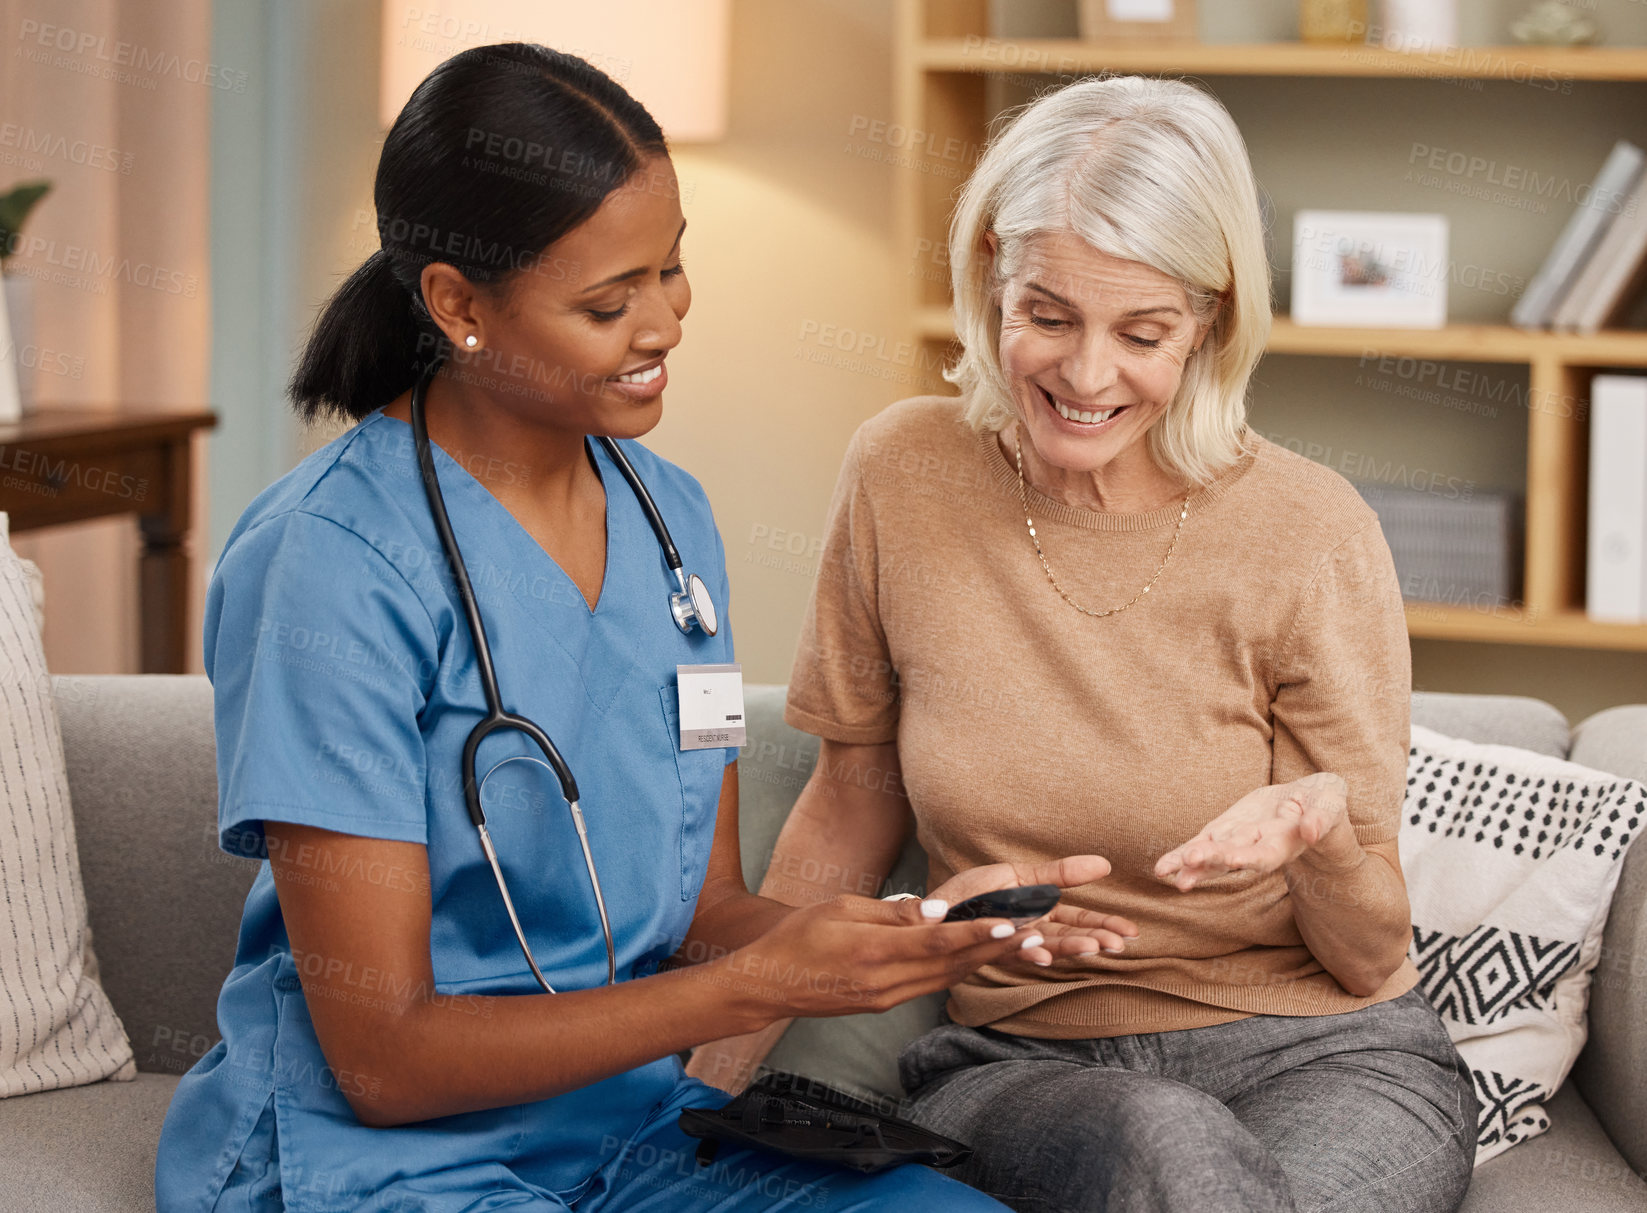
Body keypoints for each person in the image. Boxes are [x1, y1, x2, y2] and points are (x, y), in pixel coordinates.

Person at [152, 43, 1102, 1213]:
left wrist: (905, 934)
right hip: (379, 1158)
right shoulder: (330, 565)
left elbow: (699, 918)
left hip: (628, 1127)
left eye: (672, 270)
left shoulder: (670, 522)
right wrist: (753, 988)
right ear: (458, 304)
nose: (664, 324)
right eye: (608, 301)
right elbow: (384, 1060)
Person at [689, 76, 1479, 1213]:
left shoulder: (1313, 531)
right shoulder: (901, 473)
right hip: (1025, 1070)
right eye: (1048, 316)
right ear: (989, 281)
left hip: (1324, 1056)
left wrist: (1319, 836)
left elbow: (1365, 957)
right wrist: (705, 1077)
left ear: (1209, 320)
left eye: (1143, 331)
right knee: (1162, 1142)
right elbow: (851, 797)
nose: (1087, 375)